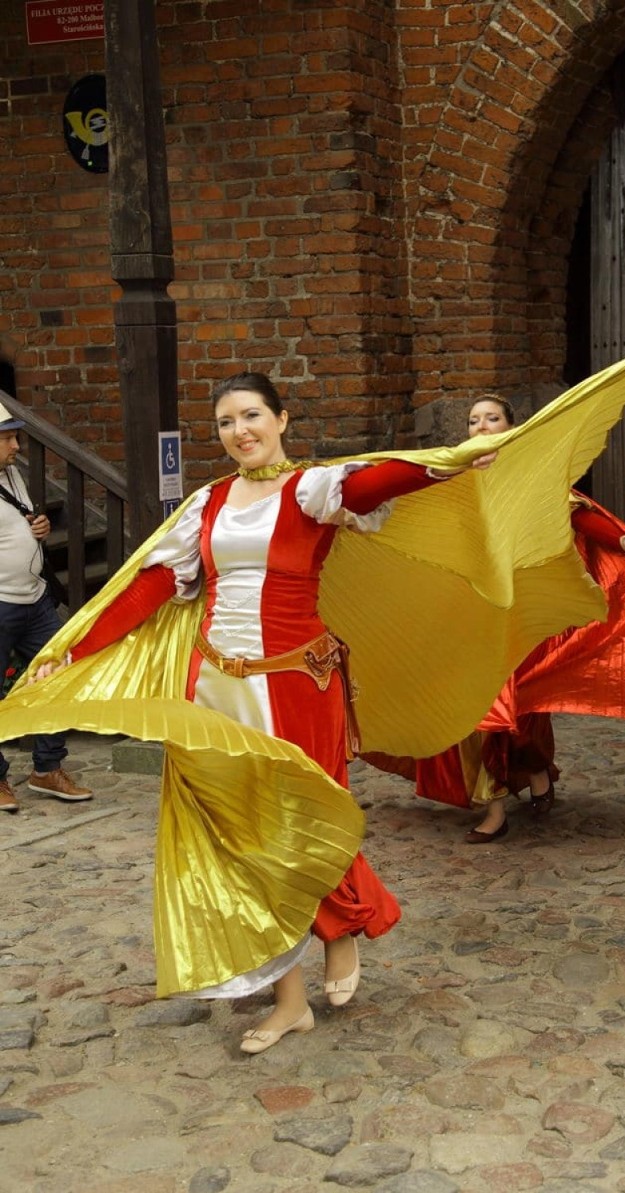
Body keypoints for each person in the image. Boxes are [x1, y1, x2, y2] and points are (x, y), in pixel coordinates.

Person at [27, 372, 496, 1053]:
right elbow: (153, 586)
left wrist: (446, 461)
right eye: (225, 422)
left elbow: (373, 485)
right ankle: (293, 997)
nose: (239, 430)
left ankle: (338, 925)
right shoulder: (208, 503)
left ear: (280, 419)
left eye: (251, 416)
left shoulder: (309, 489)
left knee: (298, 822)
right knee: (245, 841)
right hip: (216, 690)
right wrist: (72, 652)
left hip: (297, 687)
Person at [370, 395, 625, 844]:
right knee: (479, 709)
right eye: (473, 421)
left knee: (522, 708)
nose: (481, 426)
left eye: (492, 418)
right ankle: (492, 805)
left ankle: (535, 771)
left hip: (522, 613)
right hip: (470, 613)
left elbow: (583, 521)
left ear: (512, 427)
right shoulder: (448, 480)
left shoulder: (534, 479)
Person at [0, 401, 92, 813]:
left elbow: (20, 524)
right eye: (7, 439)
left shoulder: (12, 475)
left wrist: (37, 526)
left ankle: (46, 768)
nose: (16, 446)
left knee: (56, 678)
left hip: (34, 598)